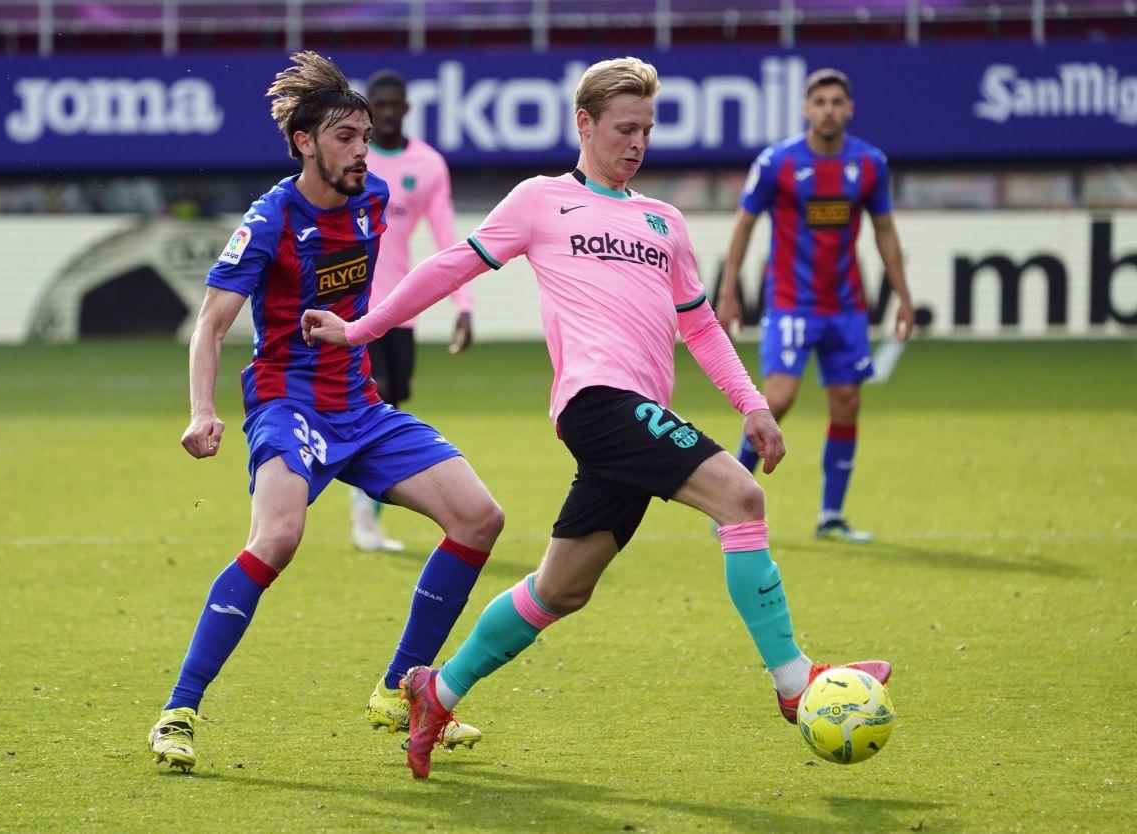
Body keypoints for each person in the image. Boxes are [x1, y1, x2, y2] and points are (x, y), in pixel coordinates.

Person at [301, 57, 892, 780]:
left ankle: (436, 691)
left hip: (640, 414)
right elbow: (449, 266)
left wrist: (754, 406)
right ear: (584, 124)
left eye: (646, 128)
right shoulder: (542, 201)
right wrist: (360, 331)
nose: (637, 142)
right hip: (597, 402)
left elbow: (700, 327)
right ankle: (794, 681)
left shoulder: (663, 220)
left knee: (561, 589)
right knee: (741, 498)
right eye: (623, 128)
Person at [146, 52, 497, 772]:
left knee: (479, 518)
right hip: (288, 403)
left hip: (361, 406)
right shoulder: (271, 216)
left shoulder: (372, 202)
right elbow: (212, 324)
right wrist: (201, 410)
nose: (362, 151)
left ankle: (401, 689)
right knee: (278, 537)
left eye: (365, 137)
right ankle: (179, 709)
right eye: (346, 137)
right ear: (305, 141)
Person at [715, 68, 915, 543]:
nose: (828, 110)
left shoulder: (870, 164)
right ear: (807, 109)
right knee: (777, 401)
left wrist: (903, 296)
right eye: (819, 102)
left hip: (846, 309)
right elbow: (744, 224)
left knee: (846, 406)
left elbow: (884, 228)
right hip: (790, 304)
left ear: (849, 109)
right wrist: (728, 290)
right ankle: (728, 495)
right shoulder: (778, 163)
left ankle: (831, 515)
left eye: (836, 102)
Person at [347, 69, 475, 553]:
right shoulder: (350, 155)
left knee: (390, 408)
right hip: (353, 308)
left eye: (393, 105)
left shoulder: (427, 165)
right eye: (376, 105)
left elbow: (447, 239)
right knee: (370, 406)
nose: (385, 113)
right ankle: (362, 517)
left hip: (401, 310)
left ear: (404, 109)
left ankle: (368, 514)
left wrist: (465, 304)